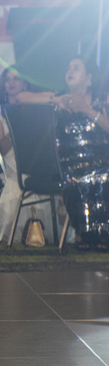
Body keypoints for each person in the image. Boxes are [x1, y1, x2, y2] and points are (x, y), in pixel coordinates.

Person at [0, 67, 55, 243]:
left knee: (41, 169)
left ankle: (39, 227)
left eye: (16, 79)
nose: (11, 83)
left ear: (24, 83)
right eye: (7, 79)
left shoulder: (34, 107)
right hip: (12, 158)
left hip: (34, 156)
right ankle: (28, 228)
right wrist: (16, 129)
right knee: (25, 174)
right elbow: (2, 148)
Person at [52, 57, 109, 250]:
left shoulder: (102, 98)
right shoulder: (59, 98)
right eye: (68, 67)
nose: (70, 71)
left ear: (89, 77)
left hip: (102, 159)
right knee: (75, 179)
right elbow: (21, 98)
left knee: (104, 176)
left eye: (76, 68)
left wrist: (85, 108)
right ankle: (83, 232)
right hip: (70, 162)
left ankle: (102, 233)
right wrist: (56, 100)